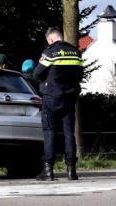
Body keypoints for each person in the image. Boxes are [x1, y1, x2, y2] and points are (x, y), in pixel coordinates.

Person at [33, 27, 84, 181]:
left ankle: (48, 171)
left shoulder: (49, 52)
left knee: (49, 132)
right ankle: (71, 171)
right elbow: (80, 75)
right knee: (69, 133)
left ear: (50, 39)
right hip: (69, 98)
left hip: (51, 98)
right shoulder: (75, 52)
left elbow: (36, 74)